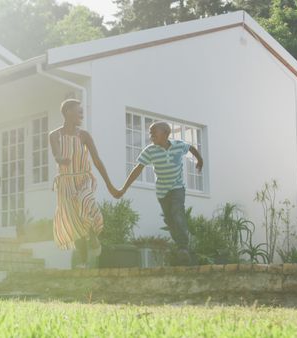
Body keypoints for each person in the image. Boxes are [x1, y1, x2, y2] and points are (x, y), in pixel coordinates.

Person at [114, 121, 203, 265]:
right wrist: (124, 188)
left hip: (177, 187)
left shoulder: (179, 145)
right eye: (150, 133)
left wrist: (200, 160)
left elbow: (191, 148)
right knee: (169, 220)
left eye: (154, 132)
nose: (151, 135)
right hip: (162, 191)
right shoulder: (150, 150)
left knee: (178, 213)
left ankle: (183, 248)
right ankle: (181, 246)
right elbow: (138, 169)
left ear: (166, 134)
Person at [49, 99, 119, 268]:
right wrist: (60, 159)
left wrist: (109, 184)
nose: (81, 114)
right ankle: (82, 261)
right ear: (67, 112)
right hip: (65, 183)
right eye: (78, 111)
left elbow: (96, 160)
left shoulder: (84, 135)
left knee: (87, 202)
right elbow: (57, 154)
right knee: (74, 223)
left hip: (82, 179)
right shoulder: (54, 135)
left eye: (82, 112)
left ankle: (93, 234)